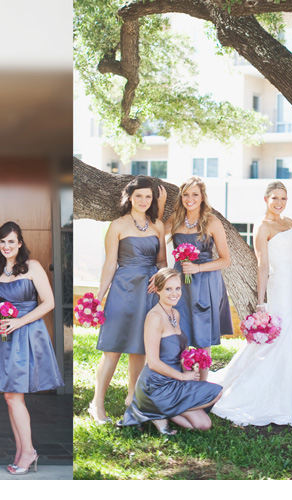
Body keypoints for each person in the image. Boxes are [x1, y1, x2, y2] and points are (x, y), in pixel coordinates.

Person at [208, 183, 292, 425]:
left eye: (283, 198)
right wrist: (261, 302)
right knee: (280, 335)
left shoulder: (290, 222)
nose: (279, 202)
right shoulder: (262, 227)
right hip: (279, 286)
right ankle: (265, 390)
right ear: (266, 199)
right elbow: (263, 265)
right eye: (275, 197)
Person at [89, 177, 167, 423]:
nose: (144, 201)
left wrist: (160, 277)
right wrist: (99, 296)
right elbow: (110, 262)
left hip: (150, 291)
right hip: (123, 289)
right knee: (112, 350)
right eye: (139, 196)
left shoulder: (158, 226)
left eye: (148, 197)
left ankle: (132, 399)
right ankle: (97, 404)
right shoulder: (117, 225)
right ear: (130, 197)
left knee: (140, 349)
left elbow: (162, 261)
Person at [0, 221, 64, 475]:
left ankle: (29, 451)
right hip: (5, 339)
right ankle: (22, 451)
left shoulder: (32, 267)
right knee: (10, 397)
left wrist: (19, 321)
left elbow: (50, 302)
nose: (7, 246)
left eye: (11, 241)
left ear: (20, 243)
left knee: (14, 396)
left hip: (28, 333)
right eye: (2, 241)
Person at [120, 268, 223, 433]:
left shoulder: (175, 314)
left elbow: (179, 350)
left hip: (176, 382)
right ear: (158, 290)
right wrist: (183, 376)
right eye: (168, 289)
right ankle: (152, 406)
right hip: (157, 384)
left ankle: (160, 412)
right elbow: (153, 363)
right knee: (215, 394)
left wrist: (191, 362)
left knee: (204, 424)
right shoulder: (154, 317)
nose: (174, 293)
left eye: (177, 288)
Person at [165, 176, 232, 348]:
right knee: (179, 329)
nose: (190, 199)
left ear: (202, 197)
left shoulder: (212, 222)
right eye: (185, 195)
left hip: (205, 281)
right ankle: (183, 373)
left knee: (203, 335)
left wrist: (198, 267)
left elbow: (226, 260)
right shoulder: (175, 219)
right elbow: (155, 232)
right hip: (180, 281)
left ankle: (202, 375)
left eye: (195, 194)